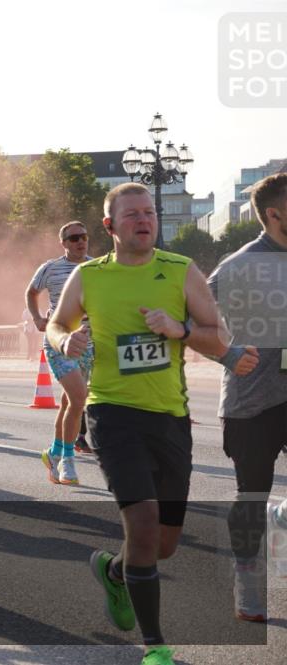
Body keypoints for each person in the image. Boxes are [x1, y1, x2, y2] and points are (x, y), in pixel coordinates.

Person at [47, 182, 258, 665]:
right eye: (132, 215)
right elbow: (57, 323)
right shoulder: (89, 276)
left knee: (162, 545)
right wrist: (64, 343)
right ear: (110, 227)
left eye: (149, 213)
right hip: (112, 414)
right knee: (140, 525)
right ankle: (156, 646)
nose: (144, 220)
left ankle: (116, 572)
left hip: (170, 418)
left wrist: (179, 329)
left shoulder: (181, 271)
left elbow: (216, 336)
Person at [206, 172, 287, 623]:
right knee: (252, 495)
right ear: (274, 214)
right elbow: (195, 316)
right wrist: (228, 353)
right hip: (253, 399)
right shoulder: (239, 265)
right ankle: (249, 585)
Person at [25, 221, 94, 485]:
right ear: (63, 243)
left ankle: (53, 454)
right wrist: (36, 318)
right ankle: (67, 462)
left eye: (84, 236)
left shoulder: (96, 267)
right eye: (74, 238)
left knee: (70, 403)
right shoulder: (50, 268)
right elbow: (31, 292)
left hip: (89, 344)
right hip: (59, 341)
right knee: (78, 400)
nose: (80, 241)